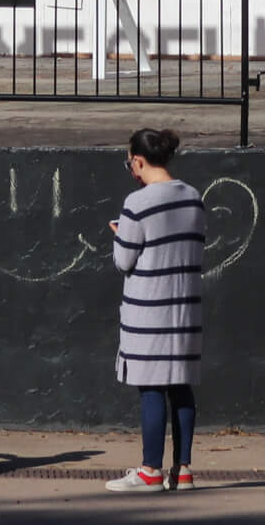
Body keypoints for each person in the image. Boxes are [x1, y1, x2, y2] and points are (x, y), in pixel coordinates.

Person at [104, 127, 205, 492]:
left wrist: (120, 234)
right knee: (181, 388)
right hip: (185, 310)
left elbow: (124, 259)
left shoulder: (138, 202)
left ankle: (150, 471)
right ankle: (184, 470)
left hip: (149, 311)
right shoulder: (193, 197)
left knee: (151, 390)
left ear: (138, 161)